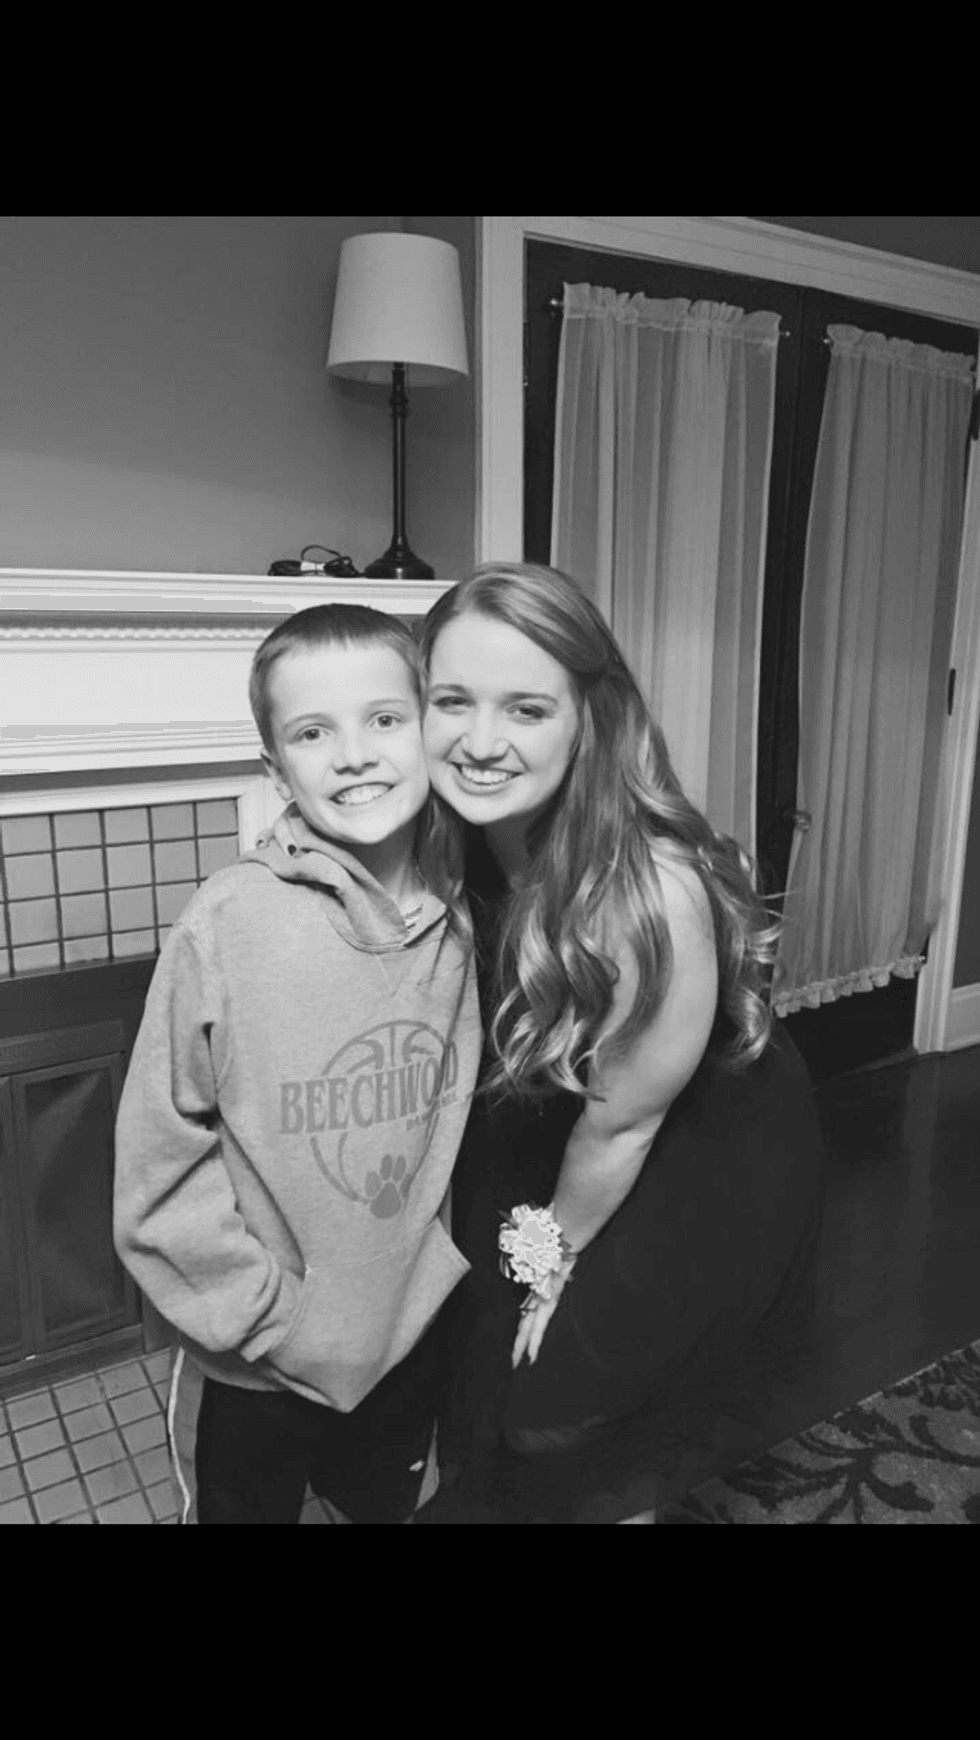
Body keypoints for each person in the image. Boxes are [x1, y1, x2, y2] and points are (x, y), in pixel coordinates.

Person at [413, 563, 827, 1526]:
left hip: (694, 1155)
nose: (481, 742)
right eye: (452, 701)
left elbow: (620, 1130)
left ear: (588, 719)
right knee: (492, 1371)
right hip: (566, 1117)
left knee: (558, 1409)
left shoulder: (647, 892)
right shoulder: (455, 828)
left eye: (526, 708)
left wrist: (541, 1271)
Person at [113, 603, 481, 1524]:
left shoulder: (464, 912)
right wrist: (271, 1321)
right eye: (314, 732)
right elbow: (160, 1161)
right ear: (277, 768)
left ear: (430, 733)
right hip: (258, 1364)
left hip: (408, 1336)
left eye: (384, 719)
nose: (354, 755)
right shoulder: (228, 925)